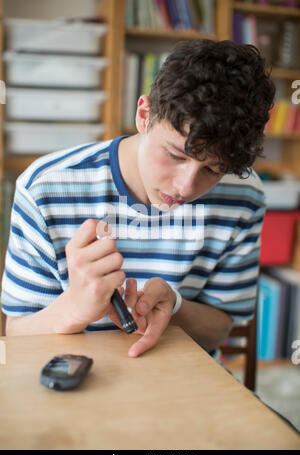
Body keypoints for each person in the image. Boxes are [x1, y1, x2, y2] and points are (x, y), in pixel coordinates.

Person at [1, 39, 275, 360]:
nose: (185, 187)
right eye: (175, 154)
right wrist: (75, 307)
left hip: (186, 385)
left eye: (213, 170)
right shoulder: (45, 187)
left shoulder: (244, 195)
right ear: (144, 115)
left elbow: (221, 329)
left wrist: (175, 305)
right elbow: (15, 334)